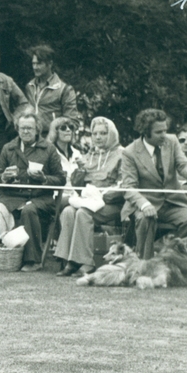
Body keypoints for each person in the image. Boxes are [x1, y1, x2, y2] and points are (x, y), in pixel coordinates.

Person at [0, 110, 66, 272]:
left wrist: (44, 179)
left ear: (37, 129)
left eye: (29, 128)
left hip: (40, 198)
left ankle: (33, 260)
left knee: (29, 209)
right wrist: (4, 177)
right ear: (17, 129)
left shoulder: (49, 149)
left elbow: (61, 179)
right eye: (22, 128)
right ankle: (2, 253)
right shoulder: (8, 148)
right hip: (11, 197)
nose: (26, 131)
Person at [120, 109, 187, 260]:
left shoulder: (171, 141)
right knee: (146, 218)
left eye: (165, 130)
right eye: (159, 132)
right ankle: (144, 265)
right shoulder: (129, 152)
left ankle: (170, 262)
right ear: (146, 132)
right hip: (145, 204)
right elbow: (128, 187)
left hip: (172, 203)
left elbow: (183, 165)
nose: (164, 135)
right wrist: (144, 205)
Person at [54, 117, 124, 277]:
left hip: (111, 203)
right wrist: (79, 172)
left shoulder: (122, 154)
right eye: (95, 133)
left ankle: (85, 262)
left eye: (103, 133)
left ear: (112, 134)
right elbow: (77, 186)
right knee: (68, 211)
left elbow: (123, 184)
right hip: (89, 201)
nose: (98, 137)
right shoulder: (87, 156)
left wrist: (99, 195)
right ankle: (68, 260)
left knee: (83, 213)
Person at [24, 45, 79, 136]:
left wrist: (55, 128)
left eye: (39, 63)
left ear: (50, 64)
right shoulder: (30, 86)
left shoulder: (64, 89)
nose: (35, 67)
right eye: (33, 63)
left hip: (53, 139)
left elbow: (73, 121)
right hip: (32, 137)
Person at [45, 116, 82, 185]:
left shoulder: (77, 153)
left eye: (71, 127)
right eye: (63, 128)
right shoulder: (49, 153)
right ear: (55, 132)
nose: (68, 130)